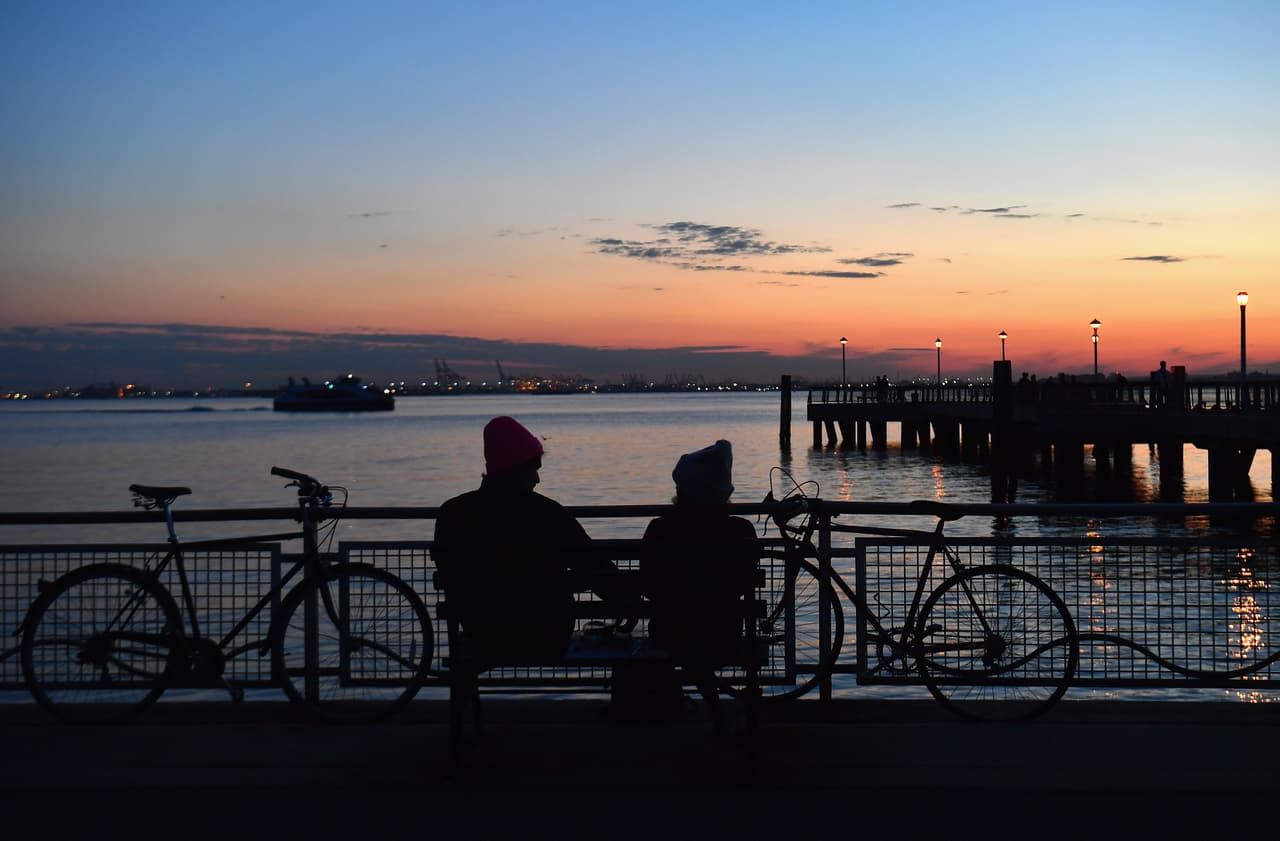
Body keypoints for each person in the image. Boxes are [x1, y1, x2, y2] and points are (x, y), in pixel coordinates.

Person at [431, 416, 623, 661]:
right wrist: (627, 599)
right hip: (545, 635)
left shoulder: (452, 513)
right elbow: (591, 563)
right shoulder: (547, 513)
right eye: (533, 468)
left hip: (484, 635)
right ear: (517, 467)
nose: (537, 479)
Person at [640, 439, 759, 734]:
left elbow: (648, 585)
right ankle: (716, 708)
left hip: (669, 632)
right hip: (724, 633)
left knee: (686, 635)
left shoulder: (660, 529)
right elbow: (744, 582)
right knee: (699, 635)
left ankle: (706, 704)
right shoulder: (741, 530)